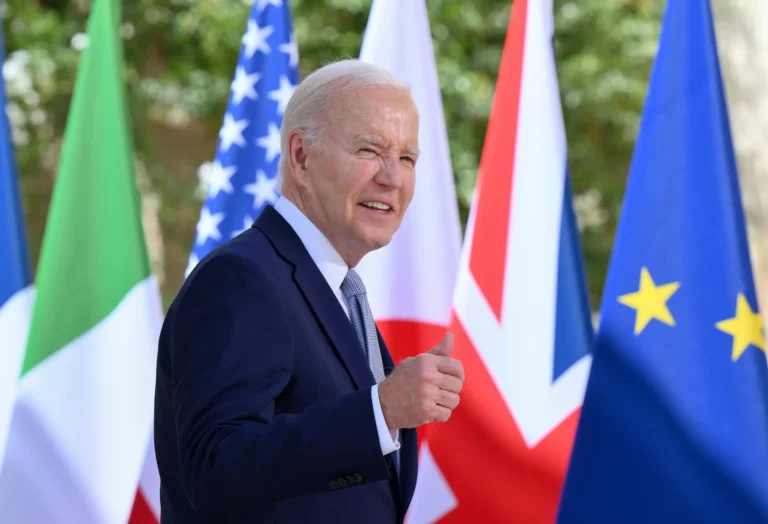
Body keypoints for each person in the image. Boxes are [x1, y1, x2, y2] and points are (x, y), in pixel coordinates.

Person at [153, 59, 466, 524]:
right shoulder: (242, 279)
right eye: (369, 149)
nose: (393, 178)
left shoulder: (338, 289)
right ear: (300, 156)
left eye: (407, 158)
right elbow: (216, 468)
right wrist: (380, 411)